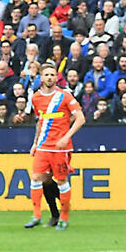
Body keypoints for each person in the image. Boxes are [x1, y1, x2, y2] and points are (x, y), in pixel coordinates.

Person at [26, 62, 85, 231]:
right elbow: (40, 121)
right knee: (36, 177)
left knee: (61, 181)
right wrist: (35, 143)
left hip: (60, 148)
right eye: (47, 75)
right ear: (41, 77)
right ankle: (36, 215)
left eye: (52, 75)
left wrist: (66, 137)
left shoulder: (64, 96)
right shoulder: (36, 97)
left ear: (56, 77)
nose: (50, 77)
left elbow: (80, 118)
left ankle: (63, 218)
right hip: (43, 146)